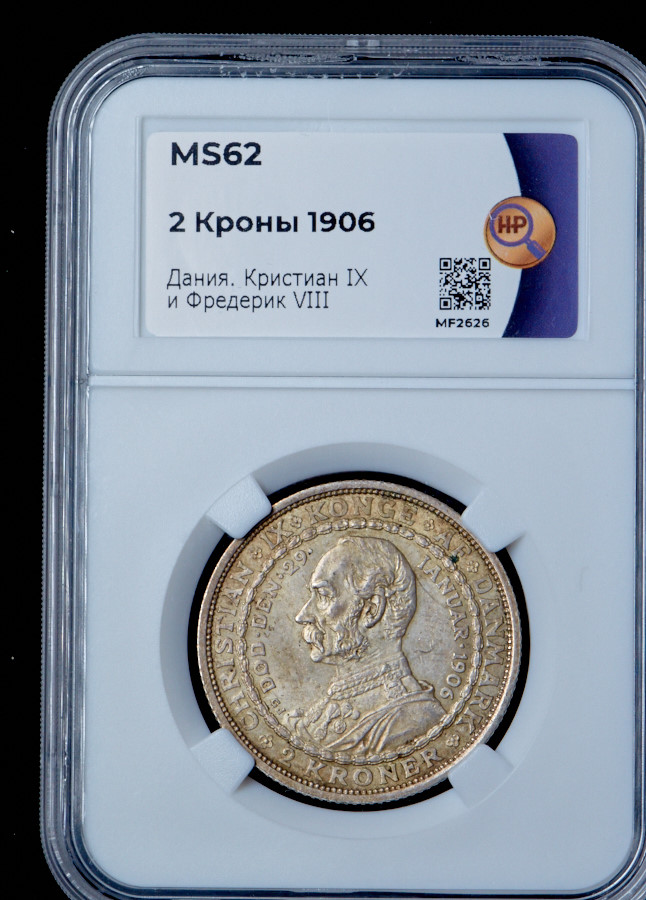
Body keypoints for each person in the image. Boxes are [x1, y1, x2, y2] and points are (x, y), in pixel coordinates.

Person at [290, 536, 444, 755]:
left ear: (372, 609)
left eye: (323, 595)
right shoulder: (327, 708)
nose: (302, 615)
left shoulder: (413, 721)